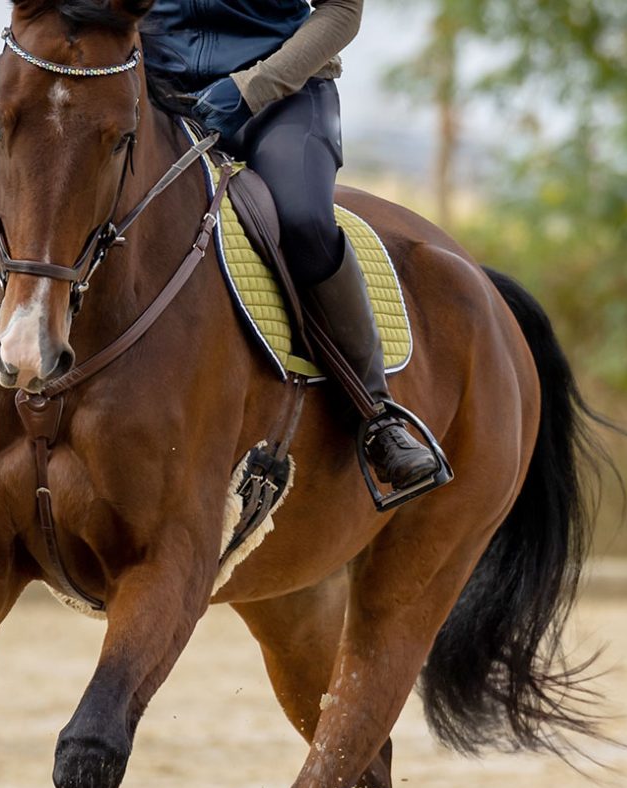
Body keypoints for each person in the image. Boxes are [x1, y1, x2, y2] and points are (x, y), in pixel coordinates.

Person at [150, 0, 443, 498]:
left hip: (282, 94)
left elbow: (342, 11)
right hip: (154, 92)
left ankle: (376, 416)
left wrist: (252, 87)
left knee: (302, 221)